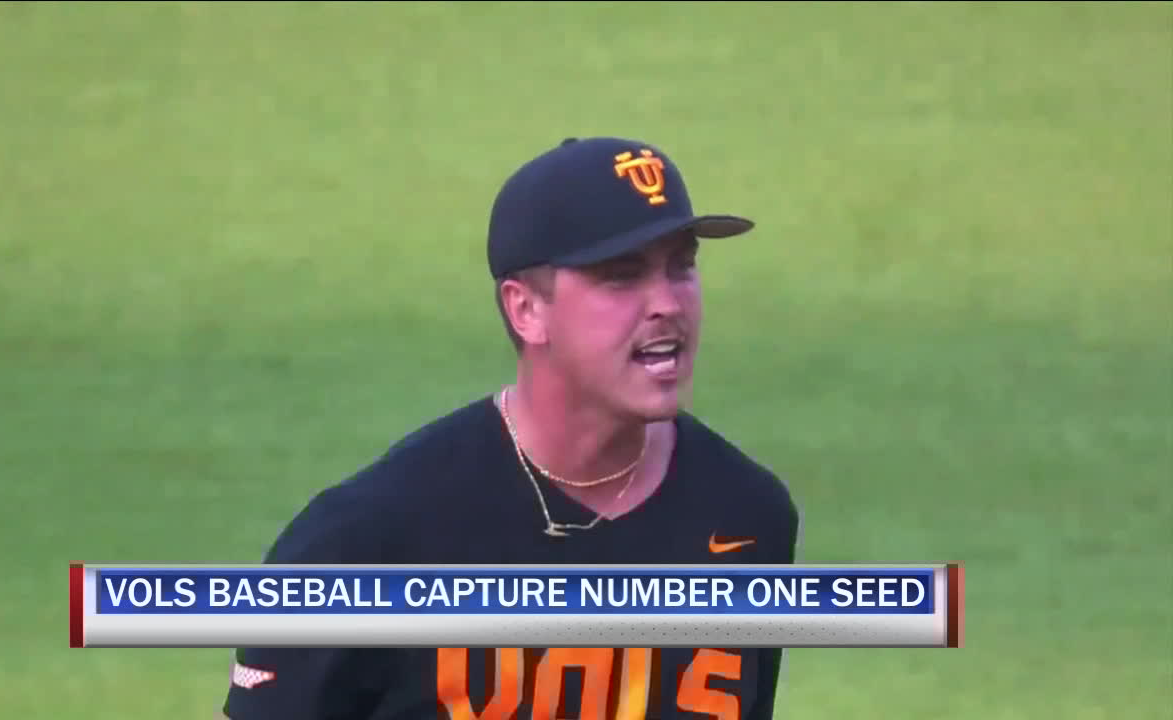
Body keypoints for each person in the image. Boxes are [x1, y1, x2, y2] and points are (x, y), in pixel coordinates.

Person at [223, 136, 801, 719]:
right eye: (622, 275)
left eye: (682, 266)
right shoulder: (365, 544)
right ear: (526, 310)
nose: (668, 304)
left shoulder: (747, 516)